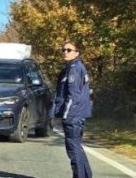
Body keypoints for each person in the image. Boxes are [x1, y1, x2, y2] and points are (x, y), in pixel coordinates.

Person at [53, 40, 92, 178]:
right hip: (77, 114)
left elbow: (73, 96)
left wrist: (66, 115)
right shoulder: (72, 68)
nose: (65, 52)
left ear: (77, 52)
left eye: (69, 50)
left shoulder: (74, 69)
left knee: (73, 149)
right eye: (63, 49)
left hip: (73, 115)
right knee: (77, 148)